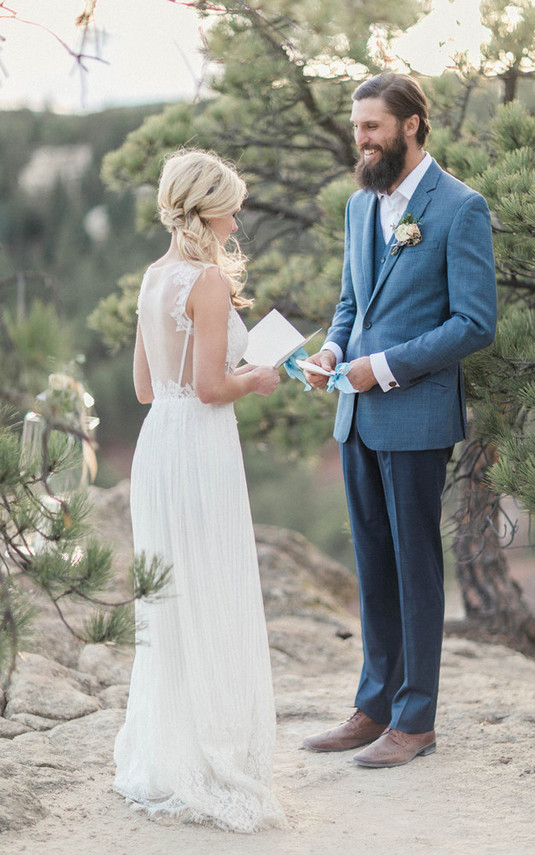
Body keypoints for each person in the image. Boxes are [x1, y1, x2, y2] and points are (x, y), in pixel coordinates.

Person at [302, 72, 497, 768]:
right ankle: (374, 705)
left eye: (372, 127)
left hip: (414, 416)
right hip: (355, 415)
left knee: (415, 568)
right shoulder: (360, 206)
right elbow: (351, 303)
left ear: (411, 125)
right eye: (357, 127)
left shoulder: (461, 208)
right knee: (373, 566)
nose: (360, 139)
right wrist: (332, 349)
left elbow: (475, 323)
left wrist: (381, 367)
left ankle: (416, 721)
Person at [114, 149, 286, 832]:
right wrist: (258, 376)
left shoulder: (154, 277)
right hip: (202, 446)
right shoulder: (207, 283)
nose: (236, 217)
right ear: (205, 208)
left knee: (170, 602)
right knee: (210, 589)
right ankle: (211, 753)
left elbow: (145, 388)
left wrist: (217, 375)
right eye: (231, 205)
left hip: (160, 442)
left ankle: (165, 751)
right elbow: (215, 387)